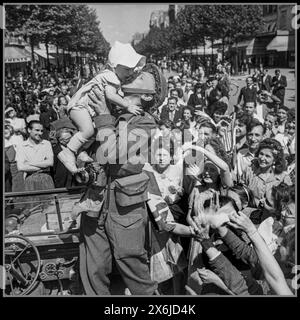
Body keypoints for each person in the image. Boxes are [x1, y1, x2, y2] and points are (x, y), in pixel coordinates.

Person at [77, 63, 167, 295]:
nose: (133, 75)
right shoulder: (111, 108)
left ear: (148, 95)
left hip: (124, 209)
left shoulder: (144, 122)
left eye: (140, 78)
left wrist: (103, 117)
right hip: (95, 201)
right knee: (92, 269)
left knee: (132, 266)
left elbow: (113, 154)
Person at [58, 41, 146, 174]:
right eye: (127, 69)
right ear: (115, 66)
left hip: (85, 109)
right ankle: (69, 151)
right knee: (87, 130)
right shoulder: (112, 78)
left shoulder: (109, 74)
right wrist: (127, 105)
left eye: (132, 69)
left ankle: (80, 151)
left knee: (92, 130)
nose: (130, 72)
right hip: (80, 107)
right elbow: (110, 95)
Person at [240, 138, 292, 209]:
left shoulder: (283, 177)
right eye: (261, 154)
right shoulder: (249, 171)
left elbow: (289, 201)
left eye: (267, 156)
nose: (262, 158)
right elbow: (241, 193)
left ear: (275, 160)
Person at [15, 120, 55, 208]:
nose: (40, 133)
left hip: (46, 178)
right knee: (33, 208)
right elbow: (21, 167)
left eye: (41, 131)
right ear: (29, 130)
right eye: (37, 130)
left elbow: (50, 162)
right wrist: (42, 166)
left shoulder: (46, 144)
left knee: (50, 207)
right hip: (30, 180)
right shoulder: (21, 145)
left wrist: (30, 163)